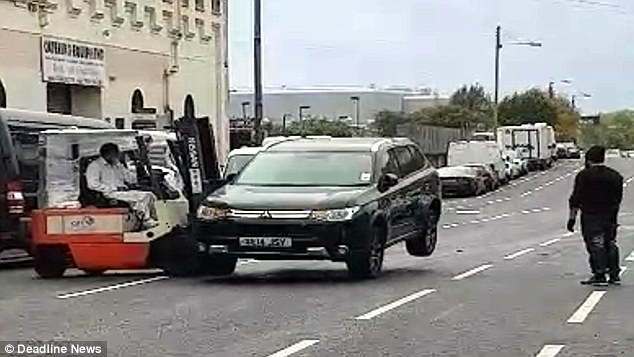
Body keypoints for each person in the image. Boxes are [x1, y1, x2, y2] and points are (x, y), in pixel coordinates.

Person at [568, 145, 623, 286]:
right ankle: (614, 274)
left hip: (591, 216)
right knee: (610, 243)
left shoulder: (584, 176)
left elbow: (576, 198)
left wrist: (572, 218)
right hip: (610, 215)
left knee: (596, 244)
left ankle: (599, 274)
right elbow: (618, 198)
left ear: (589, 159)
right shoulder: (615, 176)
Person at [86, 143, 158, 229]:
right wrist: (114, 188)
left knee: (151, 195)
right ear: (108, 154)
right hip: (109, 193)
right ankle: (145, 220)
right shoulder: (95, 166)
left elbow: (130, 179)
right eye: (116, 154)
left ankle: (154, 217)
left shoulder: (117, 164)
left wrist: (138, 168)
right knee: (143, 197)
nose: (118, 156)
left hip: (122, 191)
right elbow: (92, 184)